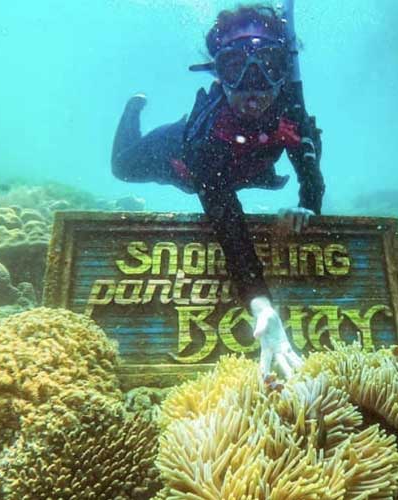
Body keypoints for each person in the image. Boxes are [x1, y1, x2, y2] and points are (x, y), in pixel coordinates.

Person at [111, 2, 324, 380]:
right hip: (180, 161)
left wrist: (306, 208)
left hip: (245, 169)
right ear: (219, 72)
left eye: (268, 66)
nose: (252, 84)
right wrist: (262, 306)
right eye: (234, 67)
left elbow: (311, 178)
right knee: (123, 168)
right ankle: (132, 111)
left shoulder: (292, 116)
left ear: (282, 71)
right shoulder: (205, 138)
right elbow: (230, 227)